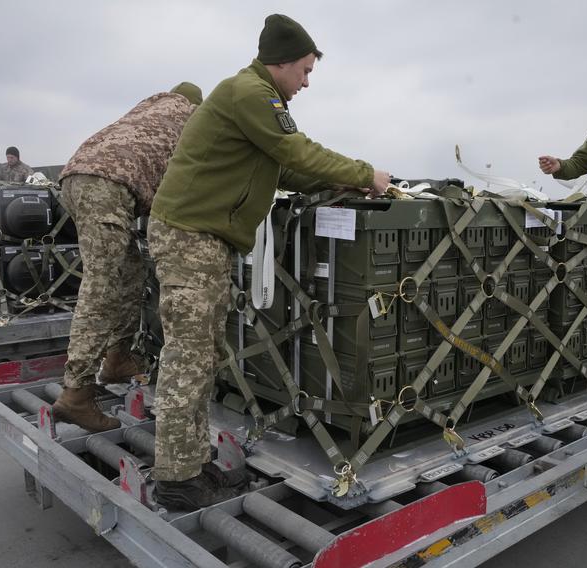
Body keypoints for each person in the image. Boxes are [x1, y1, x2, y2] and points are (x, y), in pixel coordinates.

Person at [148, 13, 391, 511]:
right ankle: (176, 477)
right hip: (190, 236)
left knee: (204, 354)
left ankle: (192, 464)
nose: (306, 81)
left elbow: (286, 170)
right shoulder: (251, 93)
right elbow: (296, 151)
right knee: (188, 360)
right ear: (280, 64)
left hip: (204, 239)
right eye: (303, 70)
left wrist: (347, 185)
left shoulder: (257, 99)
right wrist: (367, 171)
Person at [51, 83, 204, 433]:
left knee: (130, 272)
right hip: (107, 184)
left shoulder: (150, 107)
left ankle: (118, 357)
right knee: (101, 287)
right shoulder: (191, 117)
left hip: (77, 176)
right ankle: (76, 394)